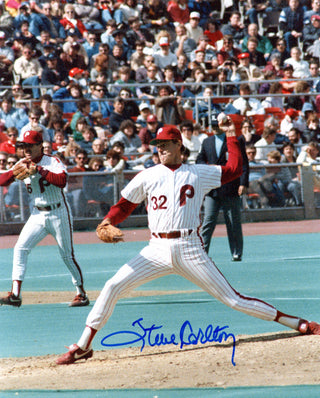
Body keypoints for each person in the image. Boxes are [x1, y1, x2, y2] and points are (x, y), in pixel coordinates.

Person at [55, 122, 320, 365]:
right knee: (112, 286)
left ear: (179, 146)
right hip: (155, 250)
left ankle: (299, 324)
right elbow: (124, 205)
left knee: (234, 300)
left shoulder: (198, 172)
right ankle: (83, 345)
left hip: (190, 248)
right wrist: (108, 221)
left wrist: (230, 136)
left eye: (165, 145)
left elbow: (234, 169)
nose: (160, 149)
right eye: (157, 145)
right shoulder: (147, 175)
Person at [0, 130, 89, 308]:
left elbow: (62, 180)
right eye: (24, 145)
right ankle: (16, 295)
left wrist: (39, 170)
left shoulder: (52, 161)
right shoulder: (22, 163)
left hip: (58, 212)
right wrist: (14, 173)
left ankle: (81, 293)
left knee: (67, 255)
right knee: (20, 248)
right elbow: (2, 180)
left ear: (40, 146)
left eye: (30, 145)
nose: (26, 149)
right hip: (37, 215)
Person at [196, 117, 249, 260]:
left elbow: (243, 163)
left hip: (231, 188)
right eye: (212, 126)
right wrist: (207, 168)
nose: (214, 128)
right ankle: (202, 252)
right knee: (208, 221)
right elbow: (199, 159)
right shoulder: (207, 142)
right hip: (212, 190)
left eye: (216, 125)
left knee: (233, 222)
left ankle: (236, 252)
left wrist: (243, 183)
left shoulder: (235, 140)